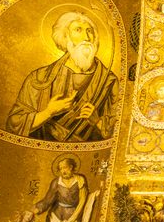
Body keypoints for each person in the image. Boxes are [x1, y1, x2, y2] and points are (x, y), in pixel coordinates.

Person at [7, 10, 118, 142]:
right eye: (78, 30)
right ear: (65, 37)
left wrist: (98, 121)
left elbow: (119, 131)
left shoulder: (108, 81)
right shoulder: (39, 78)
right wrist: (48, 112)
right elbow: (14, 124)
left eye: (90, 31)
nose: (87, 38)